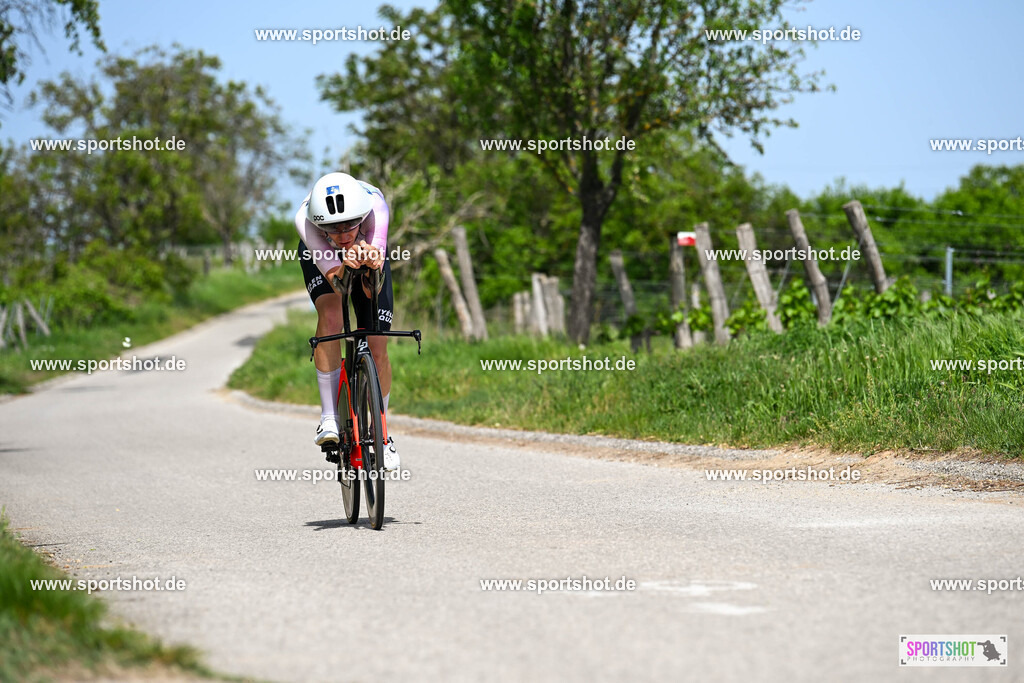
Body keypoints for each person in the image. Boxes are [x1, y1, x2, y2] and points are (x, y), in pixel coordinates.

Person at [295, 172, 399, 470]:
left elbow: (371, 289)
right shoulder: (305, 220)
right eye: (332, 228)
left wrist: (369, 264)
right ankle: (329, 417)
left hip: (368, 246)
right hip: (322, 255)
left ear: (361, 217)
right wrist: (343, 265)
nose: (341, 234)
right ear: (319, 222)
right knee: (331, 315)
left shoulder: (376, 209)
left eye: (348, 226)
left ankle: (382, 437)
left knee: (377, 341)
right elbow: (337, 283)